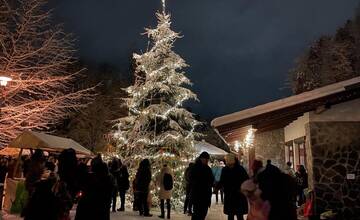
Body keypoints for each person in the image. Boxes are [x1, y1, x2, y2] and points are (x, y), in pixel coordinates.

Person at [219, 154, 249, 220]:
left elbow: (246, 180)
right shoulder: (238, 169)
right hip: (232, 195)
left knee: (238, 215)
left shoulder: (238, 169)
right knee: (232, 215)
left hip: (237, 195)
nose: (228, 164)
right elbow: (222, 181)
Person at [190, 152, 214, 220]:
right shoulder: (195, 167)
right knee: (197, 214)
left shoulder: (208, 169)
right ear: (201, 158)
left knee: (203, 214)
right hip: (197, 195)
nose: (207, 160)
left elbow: (211, 180)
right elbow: (191, 179)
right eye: (205, 159)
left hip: (205, 196)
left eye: (207, 159)